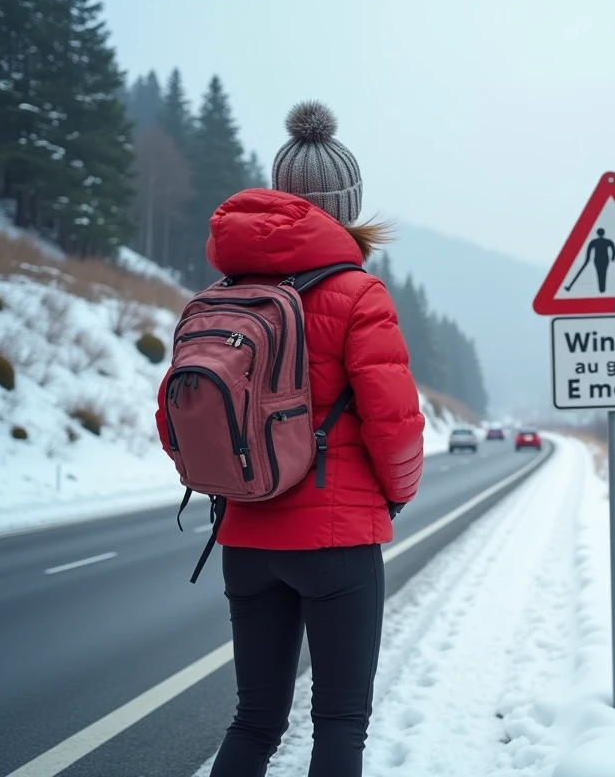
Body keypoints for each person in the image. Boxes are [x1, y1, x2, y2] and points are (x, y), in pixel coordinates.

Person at [154, 100, 425, 777]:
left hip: (244, 537)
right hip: (337, 542)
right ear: (347, 204)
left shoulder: (221, 293)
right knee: (338, 724)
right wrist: (394, 497)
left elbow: (174, 416)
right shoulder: (358, 294)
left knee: (253, 723)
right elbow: (394, 421)